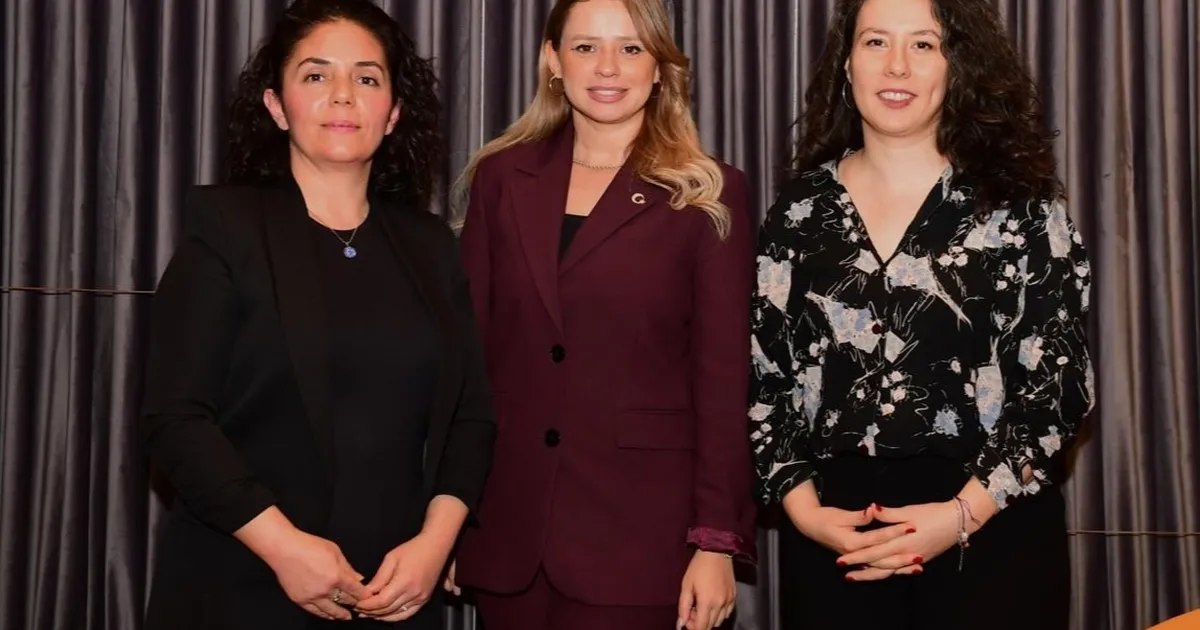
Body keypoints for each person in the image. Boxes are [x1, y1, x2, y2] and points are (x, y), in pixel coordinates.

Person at [139, 1, 494, 629]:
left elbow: (471, 415)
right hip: (241, 585)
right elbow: (176, 420)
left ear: (393, 112)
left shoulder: (432, 246)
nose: (342, 95)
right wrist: (286, 549)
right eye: (315, 75)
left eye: (366, 78)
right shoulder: (226, 229)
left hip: (396, 593)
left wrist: (435, 543)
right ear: (277, 106)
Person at [748, 0, 1094, 628]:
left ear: (957, 65)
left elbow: (1057, 388)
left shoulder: (1021, 210)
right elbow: (762, 378)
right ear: (847, 64)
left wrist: (959, 517)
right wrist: (807, 514)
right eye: (876, 42)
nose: (897, 66)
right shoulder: (799, 211)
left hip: (992, 531)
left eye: (924, 44)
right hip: (836, 541)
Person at [448, 1, 758, 629]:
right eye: (586, 47)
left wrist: (715, 541)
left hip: (641, 539)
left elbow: (724, 382)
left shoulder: (709, 194)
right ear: (553, 60)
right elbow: (466, 362)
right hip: (507, 529)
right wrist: (447, 516)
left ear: (660, 68)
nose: (607, 66)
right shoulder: (500, 178)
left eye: (631, 48)